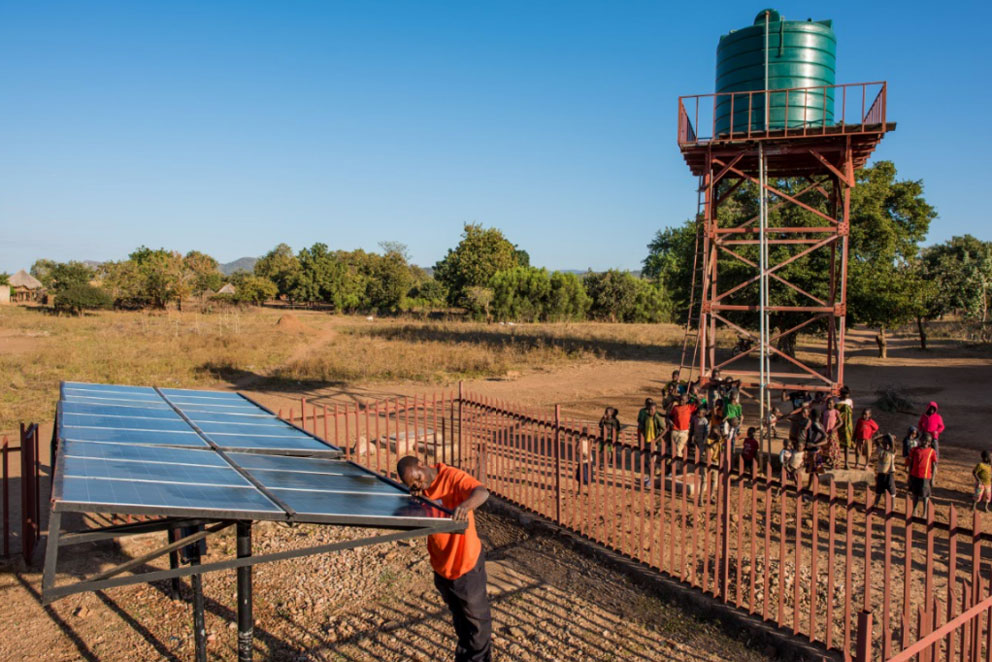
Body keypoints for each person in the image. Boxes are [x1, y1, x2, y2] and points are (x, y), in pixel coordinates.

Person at [396, 456, 493, 662]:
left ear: (422, 464)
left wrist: (465, 506)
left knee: (477, 624)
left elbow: (482, 492)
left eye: (418, 479)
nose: (419, 484)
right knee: (460, 621)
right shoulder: (419, 491)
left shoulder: (451, 477)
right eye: (413, 484)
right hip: (441, 566)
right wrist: (413, 497)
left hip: (466, 565)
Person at [907, 436, 937, 517]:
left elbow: (934, 465)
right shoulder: (914, 450)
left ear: (930, 443)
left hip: (925, 476)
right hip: (914, 475)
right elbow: (911, 463)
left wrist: (933, 478)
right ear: (920, 440)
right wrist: (909, 476)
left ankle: (925, 513)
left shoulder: (932, 451)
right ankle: (915, 510)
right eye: (923, 440)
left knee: (925, 495)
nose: (925, 442)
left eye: (927, 441)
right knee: (915, 494)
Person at [668, 393, 696, 470]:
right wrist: (670, 421)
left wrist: (692, 396)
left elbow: (700, 403)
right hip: (675, 430)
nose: (681, 401)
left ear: (687, 400)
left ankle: (676, 468)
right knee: (674, 449)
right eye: (680, 399)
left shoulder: (689, 407)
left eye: (683, 400)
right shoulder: (675, 408)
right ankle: (675, 465)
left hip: (684, 432)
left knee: (678, 449)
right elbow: (670, 416)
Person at [874, 434, 896, 506]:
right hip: (881, 474)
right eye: (884, 443)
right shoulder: (880, 450)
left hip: (889, 474)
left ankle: (892, 507)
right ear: (882, 444)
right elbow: (875, 439)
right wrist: (883, 435)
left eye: (888, 444)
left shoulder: (891, 451)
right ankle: (875, 505)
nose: (886, 445)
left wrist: (890, 437)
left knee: (892, 491)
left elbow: (892, 443)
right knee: (879, 491)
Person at [836, 386, 855, 469]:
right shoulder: (835, 400)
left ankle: (846, 463)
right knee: (836, 443)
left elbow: (850, 412)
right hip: (837, 424)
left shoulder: (849, 401)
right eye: (844, 396)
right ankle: (836, 462)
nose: (845, 398)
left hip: (847, 425)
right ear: (841, 394)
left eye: (847, 396)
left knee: (847, 443)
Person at [723, 391, 743, 456]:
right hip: (726, 420)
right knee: (725, 433)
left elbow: (739, 415)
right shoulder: (727, 401)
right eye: (731, 399)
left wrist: (740, 422)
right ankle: (725, 447)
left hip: (733, 421)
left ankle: (731, 450)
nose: (732, 400)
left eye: (734, 399)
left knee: (732, 436)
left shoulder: (738, 406)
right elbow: (723, 394)